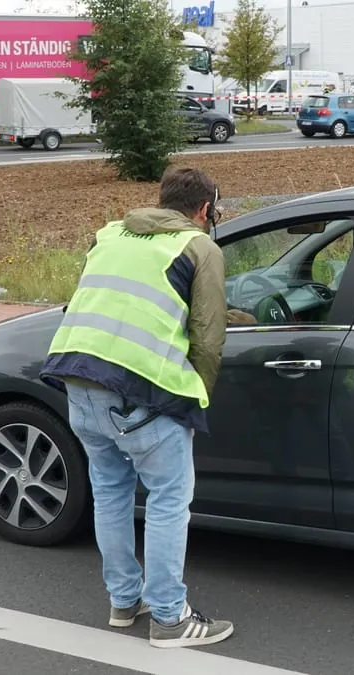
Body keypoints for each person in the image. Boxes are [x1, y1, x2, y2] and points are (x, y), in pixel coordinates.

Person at [40, 167, 237, 649]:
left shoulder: (109, 234)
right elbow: (208, 340)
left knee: (110, 492)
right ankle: (170, 618)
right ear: (205, 210)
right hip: (140, 393)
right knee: (169, 500)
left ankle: (124, 602)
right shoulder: (200, 247)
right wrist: (194, 396)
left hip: (77, 379)